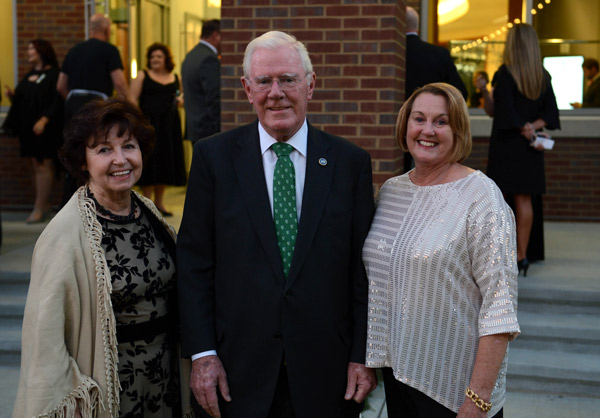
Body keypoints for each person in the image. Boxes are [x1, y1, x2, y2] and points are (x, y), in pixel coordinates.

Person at [177, 30, 377, 418]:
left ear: (310, 84)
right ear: (247, 89)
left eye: (288, 79)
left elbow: (362, 270)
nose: (276, 92)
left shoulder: (349, 164)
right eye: (264, 81)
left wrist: (362, 356)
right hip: (234, 374)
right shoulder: (212, 159)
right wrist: (202, 355)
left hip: (326, 374)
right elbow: (194, 263)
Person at [13, 98, 191, 418]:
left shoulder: (148, 212)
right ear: (83, 160)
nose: (120, 160)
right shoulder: (64, 236)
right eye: (104, 150)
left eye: (129, 146)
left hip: (164, 381)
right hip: (110, 391)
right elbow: (45, 340)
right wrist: (74, 401)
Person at [364, 82, 520, 418]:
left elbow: (500, 306)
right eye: (419, 119)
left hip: (458, 393)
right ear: (405, 125)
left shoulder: (481, 197)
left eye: (441, 121)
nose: (427, 130)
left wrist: (477, 401)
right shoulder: (391, 192)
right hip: (398, 378)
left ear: (459, 130)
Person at [478, 23, 560, 275]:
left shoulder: (505, 73)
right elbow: (550, 113)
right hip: (529, 147)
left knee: (501, 200)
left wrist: (522, 126)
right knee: (525, 200)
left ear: (513, 44)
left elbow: (501, 114)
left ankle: (503, 254)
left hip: (507, 145)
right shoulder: (542, 75)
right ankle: (522, 256)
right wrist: (531, 127)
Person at [57, 13, 131, 205]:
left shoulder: (74, 50)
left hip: (72, 105)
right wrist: (131, 106)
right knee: (97, 150)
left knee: (75, 153)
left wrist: (75, 101)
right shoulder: (109, 50)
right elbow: (120, 82)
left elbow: (60, 86)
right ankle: (96, 201)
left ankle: (70, 202)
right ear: (107, 29)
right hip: (96, 106)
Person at [2, 39, 63, 223]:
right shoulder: (29, 74)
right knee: (32, 165)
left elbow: (56, 100)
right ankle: (42, 204)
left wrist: (44, 119)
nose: (28, 52)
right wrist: (13, 97)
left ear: (42, 52)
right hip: (27, 128)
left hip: (44, 129)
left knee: (42, 164)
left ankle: (39, 208)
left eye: (31, 49)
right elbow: (26, 101)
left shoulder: (54, 74)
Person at [404, 6, 467, 173]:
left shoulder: (388, 53)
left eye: (442, 121)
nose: (427, 130)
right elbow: (462, 93)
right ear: (416, 26)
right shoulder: (438, 54)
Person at [130, 42, 187, 216]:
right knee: (150, 162)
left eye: (159, 56)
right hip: (148, 126)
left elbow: (182, 98)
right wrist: (140, 122)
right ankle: (146, 203)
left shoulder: (175, 77)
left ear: (166, 59)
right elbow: (132, 99)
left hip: (169, 126)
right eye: (152, 56)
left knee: (165, 161)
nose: (155, 59)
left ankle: (160, 203)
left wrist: (181, 102)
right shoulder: (142, 75)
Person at [181, 19, 221, 143]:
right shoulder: (209, 58)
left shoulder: (190, 55)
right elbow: (214, 96)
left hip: (195, 128)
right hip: (209, 130)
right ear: (216, 35)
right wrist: (220, 127)